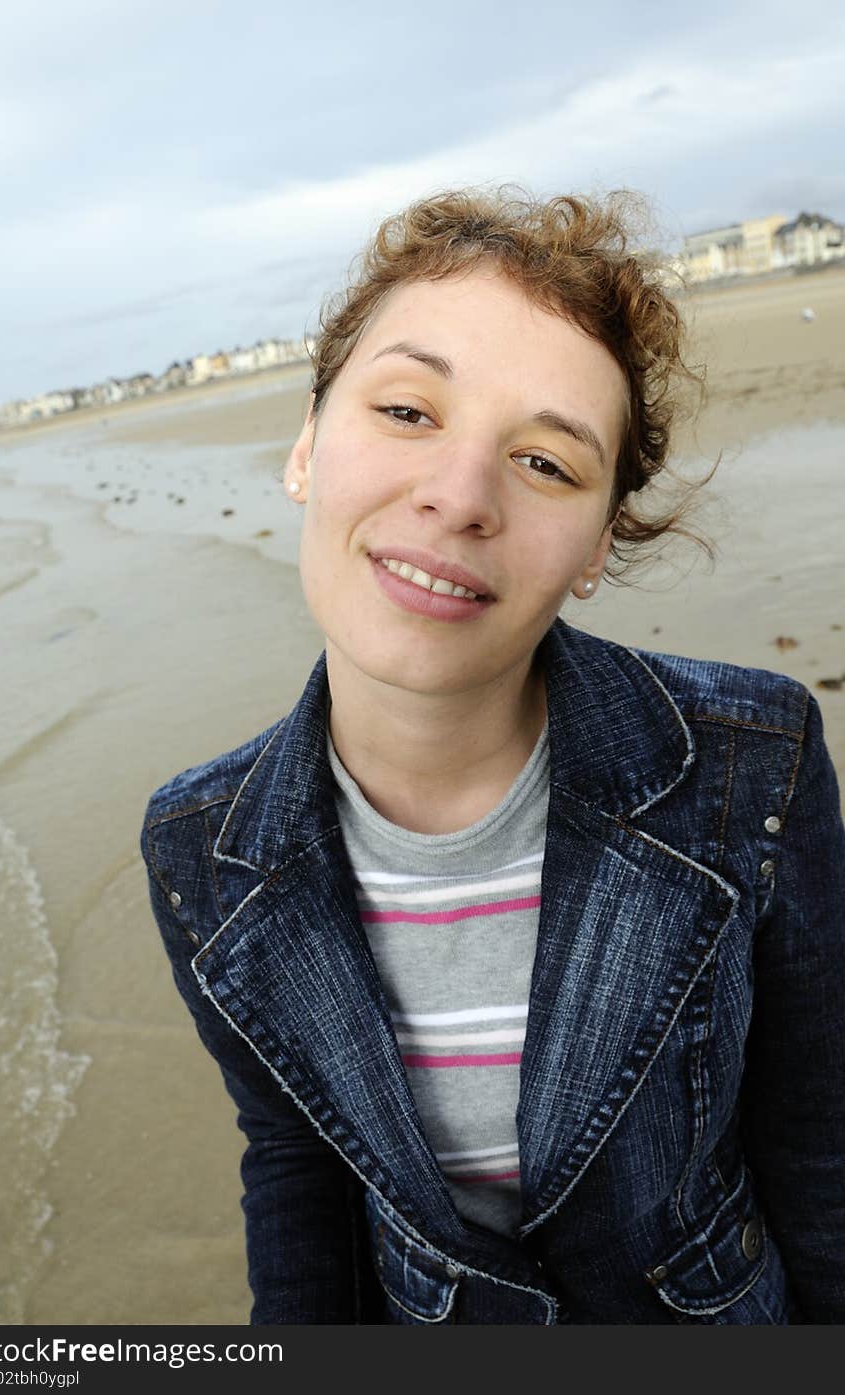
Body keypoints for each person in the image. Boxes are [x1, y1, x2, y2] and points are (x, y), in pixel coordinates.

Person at [140, 188, 845, 1324]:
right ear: (307, 448)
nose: (458, 497)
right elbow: (297, 1167)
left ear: (597, 547)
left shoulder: (749, 768)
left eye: (546, 464)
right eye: (409, 411)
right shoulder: (199, 848)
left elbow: (818, 1139)